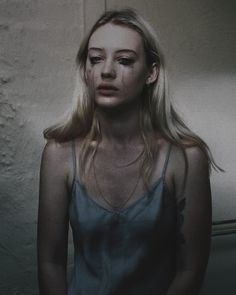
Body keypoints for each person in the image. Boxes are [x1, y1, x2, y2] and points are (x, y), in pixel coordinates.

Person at [37, 8, 220, 295]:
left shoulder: (185, 158)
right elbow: (50, 262)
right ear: (86, 70)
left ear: (151, 72)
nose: (106, 70)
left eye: (124, 60)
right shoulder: (59, 154)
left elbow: (190, 269)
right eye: (95, 59)